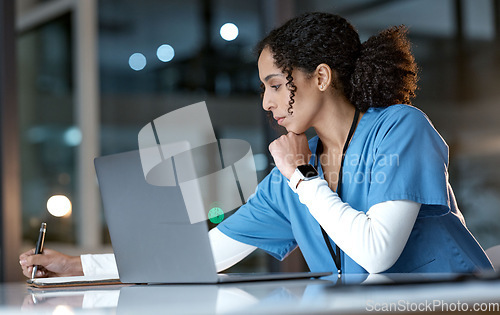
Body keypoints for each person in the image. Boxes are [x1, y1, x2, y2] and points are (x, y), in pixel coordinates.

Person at [20, 12, 493, 278]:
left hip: (455, 305)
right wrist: (77, 265)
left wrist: (303, 177)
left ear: (321, 76)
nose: (267, 103)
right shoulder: (290, 177)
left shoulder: (399, 128)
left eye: (273, 84)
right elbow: (204, 255)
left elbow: (377, 252)